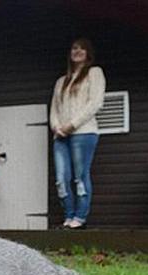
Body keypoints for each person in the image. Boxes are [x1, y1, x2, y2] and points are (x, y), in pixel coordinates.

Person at [50, 38, 106, 229]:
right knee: (61, 179)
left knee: (80, 177)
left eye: (82, 48)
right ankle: (68, 216)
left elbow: (95, 103)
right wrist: (56, 127)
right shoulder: (61, 82)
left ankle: (79, 219)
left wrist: (71, 125)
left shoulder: (94, 73)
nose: (78, 51)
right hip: (60, 136)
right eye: (74, 48)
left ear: (88, 53)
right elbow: (54, 109)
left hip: (84, 133)